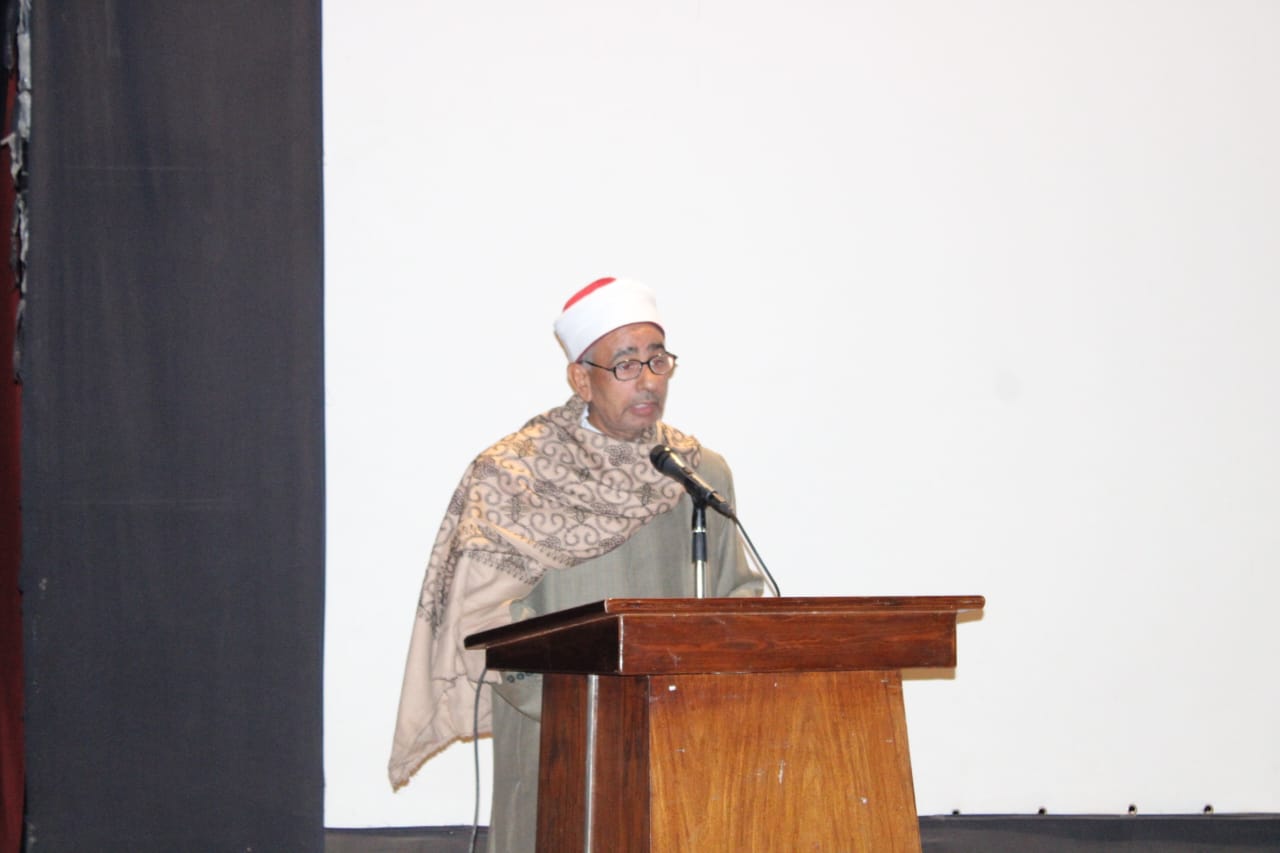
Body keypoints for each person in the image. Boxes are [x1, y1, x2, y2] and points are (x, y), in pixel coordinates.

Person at [388, 276, 763, 852]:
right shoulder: (514, 476)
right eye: (626, 364)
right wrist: (585, 706)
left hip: (679, 742)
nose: (648, 380)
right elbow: (482, 624)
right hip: (559, 741)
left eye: (658, 360)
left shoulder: (696, 472)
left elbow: (736, 594)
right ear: (580, 378)